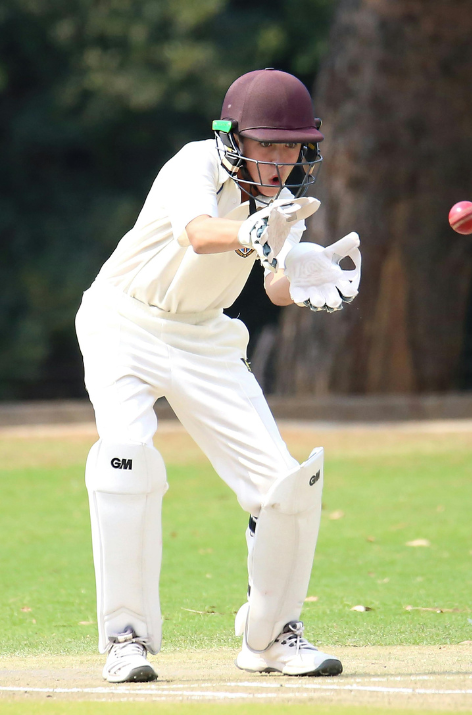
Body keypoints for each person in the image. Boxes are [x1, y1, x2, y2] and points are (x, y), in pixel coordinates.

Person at [76, 68, 361, 683]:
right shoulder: (193, 164)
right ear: (235, 138)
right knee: (125, 460)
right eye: (269, 144)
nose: (282, 160)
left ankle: (272, 636)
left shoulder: (282, 201)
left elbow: (276, 284)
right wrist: (253, 230)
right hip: (122, 322)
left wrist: (310, 275)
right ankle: (126, 639)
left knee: (285, 487)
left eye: (293, 146)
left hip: (205, 337)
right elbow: (200, 234)